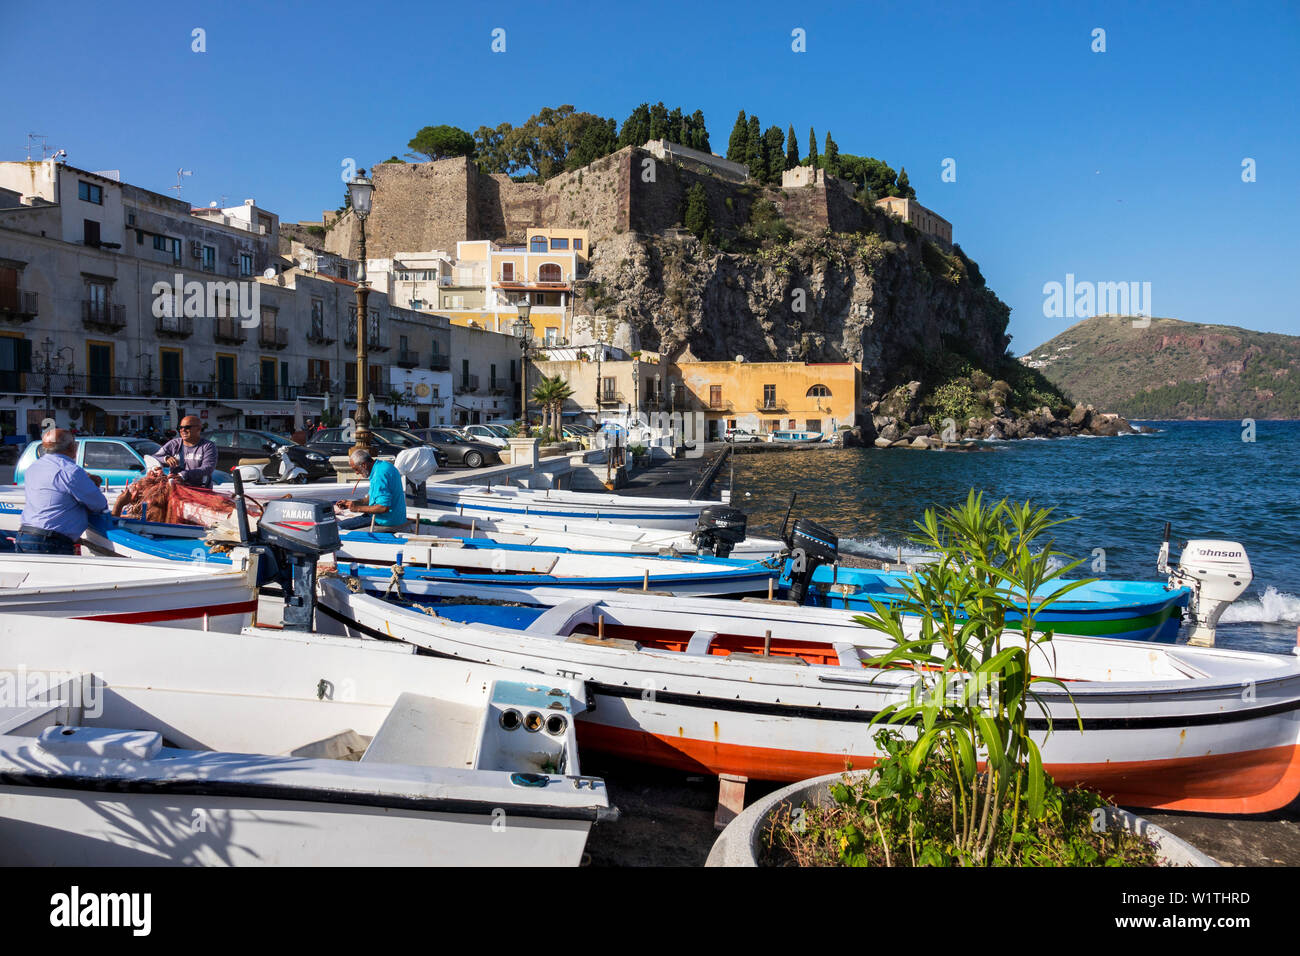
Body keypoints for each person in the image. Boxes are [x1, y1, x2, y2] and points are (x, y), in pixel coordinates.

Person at [17, 428, 108, 555]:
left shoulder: (34, 467)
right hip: (51, 540)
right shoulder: (70, 471)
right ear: (72, 447)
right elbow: (99, 504)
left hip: (24, 535)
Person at [335, 448, 407, 531]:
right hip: (396, 517)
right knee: (345, 523)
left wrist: (357, 508)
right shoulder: (382, 466)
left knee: (336, 527)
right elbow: (371, 499)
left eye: (356, 469)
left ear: (364, 465)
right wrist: (353, 503)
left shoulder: (379, 475)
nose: (357, 473)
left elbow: (383, 507)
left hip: (385, 520)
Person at [155, 416, 217, 488]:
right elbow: (155, 457)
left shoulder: (208, 446)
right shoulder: (174, 444)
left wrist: (183, 475)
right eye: (180, 427)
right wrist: (165, 458)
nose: (183, 430)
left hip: (200, 490)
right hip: (176, 489)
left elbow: (208, 468)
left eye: (187, 427)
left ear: (199, 429)